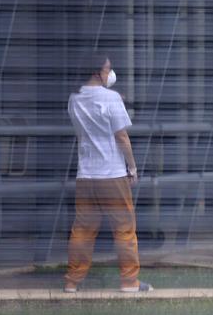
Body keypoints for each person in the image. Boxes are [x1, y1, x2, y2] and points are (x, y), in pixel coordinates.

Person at [64, 53, 153, 292]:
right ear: (97, 72)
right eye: (108, 69)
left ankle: (72, 282)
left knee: (82, 231)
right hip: (112, 175)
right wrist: (132, 167)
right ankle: (129, 282)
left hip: (86, 175)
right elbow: (121, 136)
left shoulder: (74, 99)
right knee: (124, 229)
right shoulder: (111, 98)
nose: (110, 73)